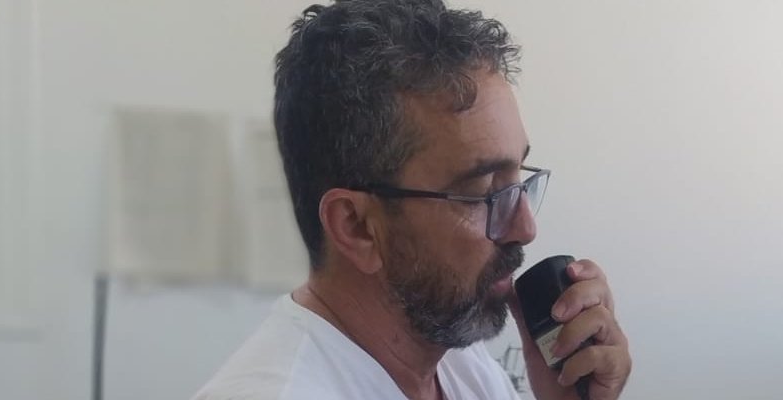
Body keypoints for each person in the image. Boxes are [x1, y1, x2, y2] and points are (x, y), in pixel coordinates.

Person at [194, 1, 631, 399]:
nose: (525, 227)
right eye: (483, 192)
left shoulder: (458, 363)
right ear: (357, 226)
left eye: (518, 180)